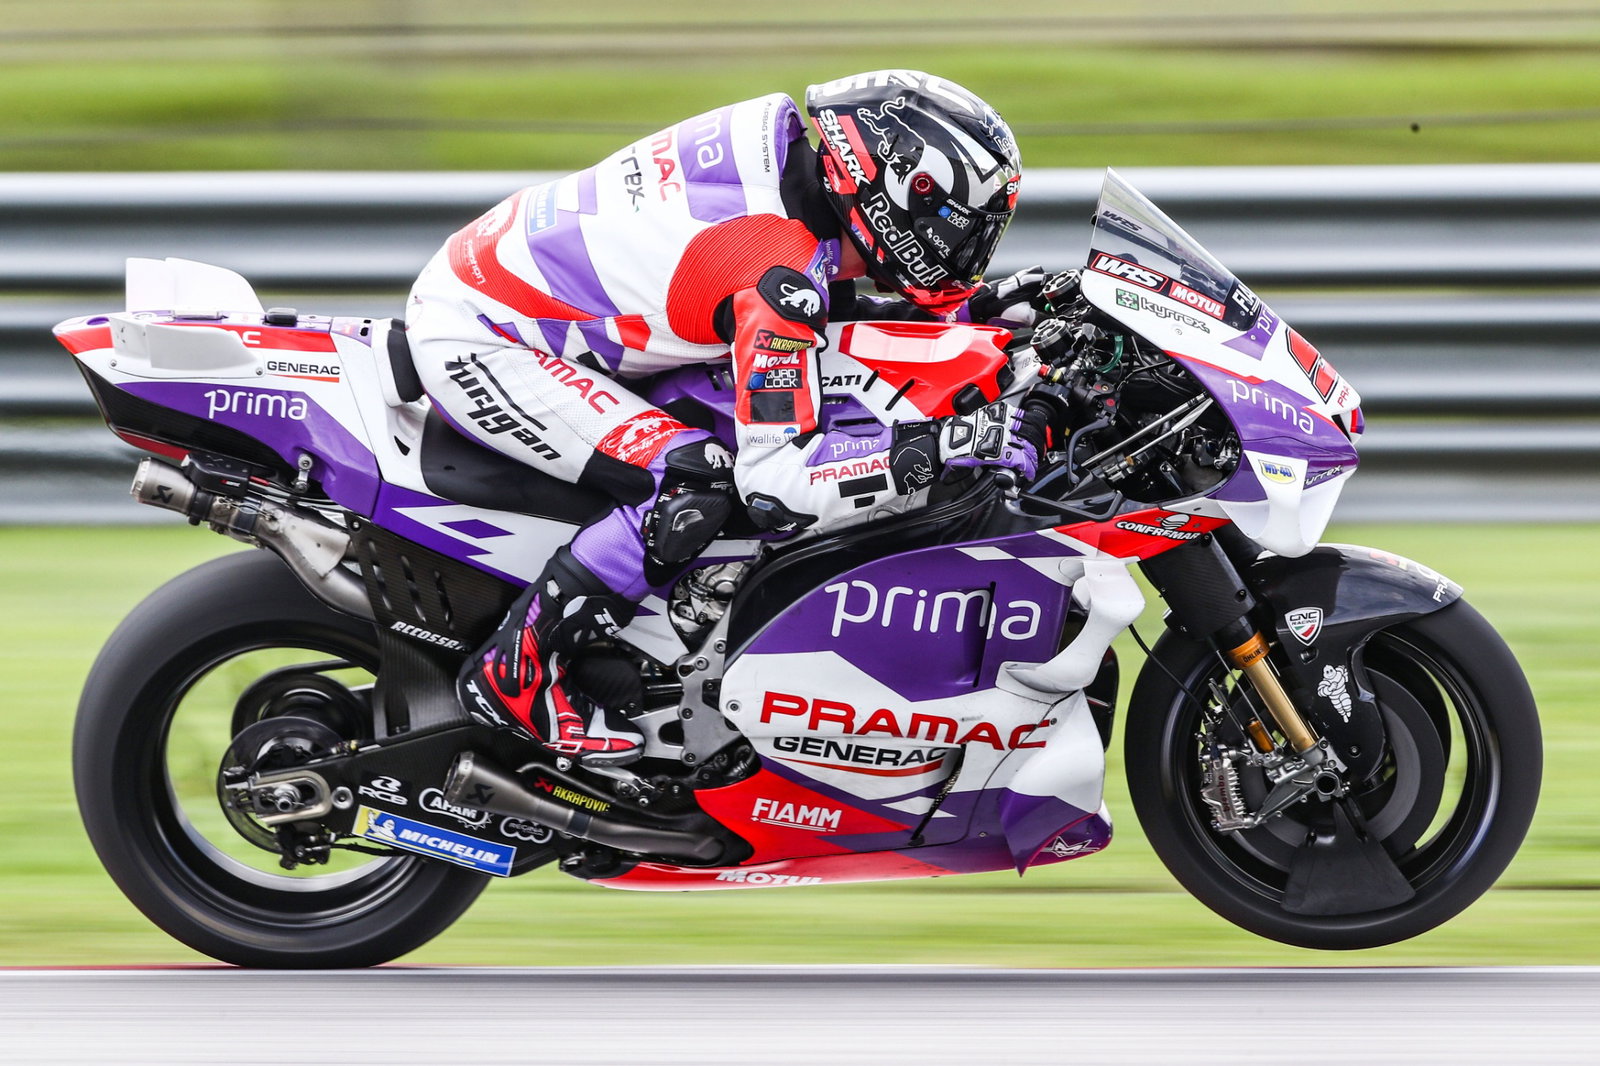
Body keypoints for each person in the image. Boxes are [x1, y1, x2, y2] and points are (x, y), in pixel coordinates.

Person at [406, 69, 1060, 766]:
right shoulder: (774, 272)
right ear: (895, 190)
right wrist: (937, 447)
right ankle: (515, 675)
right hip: (484, 340)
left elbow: (824, 302)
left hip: (508, 283)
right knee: (693, 478)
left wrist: (983, 311)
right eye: (953, 224)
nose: (960, 247)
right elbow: (776, 483)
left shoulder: (786, 150)